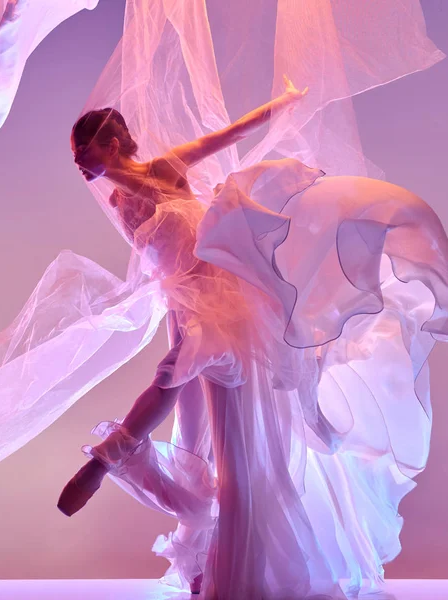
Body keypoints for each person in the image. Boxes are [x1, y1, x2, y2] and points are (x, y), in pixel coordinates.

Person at [55, 71, 448, 599]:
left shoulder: (163, 169)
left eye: (84, 148)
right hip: (185, 309)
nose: (79, 161)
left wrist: (282, 102)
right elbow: (158, 262)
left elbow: (229, 135)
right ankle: (195, 557)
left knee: (182, 388)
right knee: (192, 439)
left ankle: (109, 460)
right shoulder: (121, 203)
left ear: (113, 142)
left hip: (225, 309)